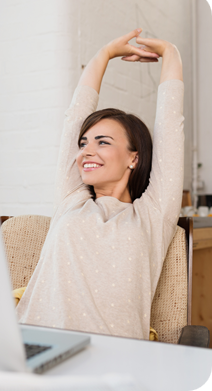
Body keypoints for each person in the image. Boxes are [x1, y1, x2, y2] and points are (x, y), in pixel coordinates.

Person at [15, 29, 184, 340]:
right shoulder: (71, 200)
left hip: (114, 360)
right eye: (83, 144)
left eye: (102, 142)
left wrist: (171, 53)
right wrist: (103, 54)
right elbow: (73, 119)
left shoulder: (152, 216)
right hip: (35, 344)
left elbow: (171, 127)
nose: (86, 152)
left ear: (134, 157)